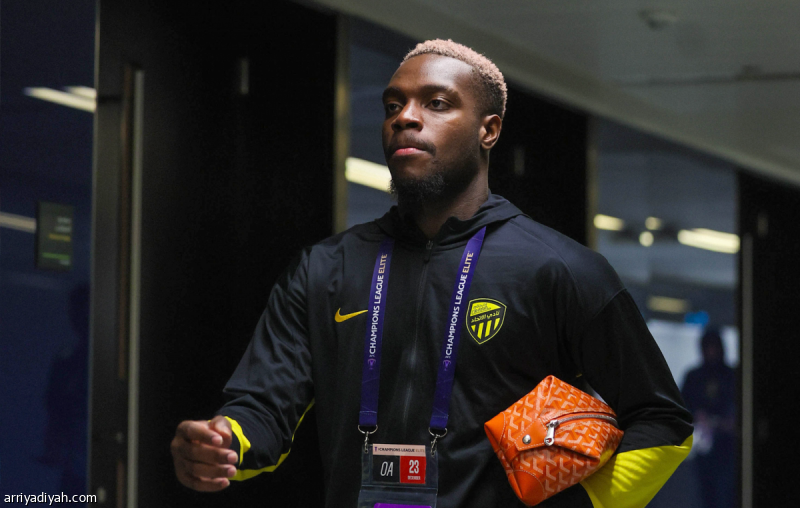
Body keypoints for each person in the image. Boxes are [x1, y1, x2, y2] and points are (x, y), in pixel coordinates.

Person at [171, 39, 693, 508]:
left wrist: (584, 504)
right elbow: (266, 407)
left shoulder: (560, 268)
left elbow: (664, 422)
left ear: (489, 130)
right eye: (393, 105)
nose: (405, 117)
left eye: (436, 103)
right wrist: (224, 440)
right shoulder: (325, 268)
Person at [681, 329, 736, 508]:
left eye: (715, 347)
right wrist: (697, 417)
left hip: (729, 447)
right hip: (702, 447)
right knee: (706, 494)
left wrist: (726, 422)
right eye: (708, 347)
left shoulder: (732, 376)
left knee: (727, 494)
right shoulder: (694, 377)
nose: (712, 352)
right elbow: (682, 409)